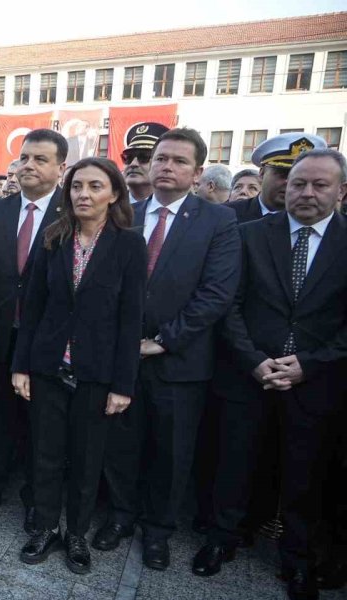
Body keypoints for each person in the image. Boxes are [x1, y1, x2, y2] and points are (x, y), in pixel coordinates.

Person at [196, 148, 347, 600]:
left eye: (319, 185)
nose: (305, 192)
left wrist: (310, 363)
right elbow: (230, 306)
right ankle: (223, 538)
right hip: (249, 376)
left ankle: (297, 559)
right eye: (298, 183)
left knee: (305, 474)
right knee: (235, 461)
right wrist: (255, 360)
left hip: (315, 382)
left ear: (340, 191)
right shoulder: (248, 236)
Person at [94, 127, 240, 571]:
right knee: (121, 443)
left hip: (180, 361)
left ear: (197, 173)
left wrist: (163, 341)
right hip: (123, 357)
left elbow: (216, 294)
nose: (166, 167)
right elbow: (103, 283)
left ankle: (158, 531)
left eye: (178, 161)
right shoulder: (124, 215)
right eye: (160, 159)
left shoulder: (218, 221)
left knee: (172, 453)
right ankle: (120, 516)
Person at [12, 157, 146, 573]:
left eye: (94, 187)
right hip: (49, 366)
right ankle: (47, 527)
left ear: (114, 195)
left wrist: (123, 384)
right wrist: (21, 366)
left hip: (97, 371)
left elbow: (131, 319)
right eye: (76, 187)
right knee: (46, 453)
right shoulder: (54, 237)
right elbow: (31, 307)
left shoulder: (128, 245)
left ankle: (76, 535)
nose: (83, 194)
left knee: (88, 459)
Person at [0, 128, 66, 533]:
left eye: (41, 159)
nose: (29, 166)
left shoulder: (73, 214)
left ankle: (36, 502)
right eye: (24, 158)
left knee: (43, 428)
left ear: (61, 168)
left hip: (47, 344)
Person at [227, 132, 326, 223]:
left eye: (301, 177)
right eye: (284, 174)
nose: (290, 182)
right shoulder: (227, 216)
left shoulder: (316, 221)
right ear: (262, 173)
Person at [121, 122, 170, 206]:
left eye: (144, 157)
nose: (133, 164)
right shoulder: (107, 205)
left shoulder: (174, 208)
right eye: (128, 157)